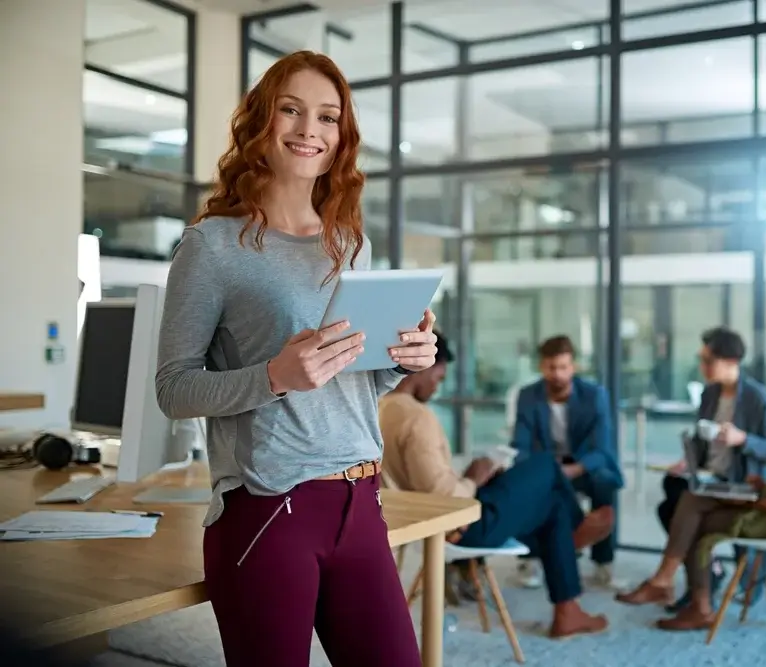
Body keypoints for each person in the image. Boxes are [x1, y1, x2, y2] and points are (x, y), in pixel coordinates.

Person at [154, 51, 436, 667]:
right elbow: (173, 388)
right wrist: (274, 377)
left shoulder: (349, 241)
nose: (310, 129)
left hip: (361, 500)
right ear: (262, 120)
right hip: (267, 508)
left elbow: (350, 376)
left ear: (342, 136)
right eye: (292, 110)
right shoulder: (212, 245)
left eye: (328, 117)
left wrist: (402, 359)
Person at [379, 331, 612, 639]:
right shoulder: (416, 417)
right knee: (544, 466)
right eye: (439, 376)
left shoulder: (381, 408)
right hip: (459, 525)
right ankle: (575, 533)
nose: (438, 386)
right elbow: (444, 495)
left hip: (427, 517)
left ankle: (567, 611)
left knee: (553, 502)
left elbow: (425, 482)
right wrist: (474, 476)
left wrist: (475, 476)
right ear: (423, 365)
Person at [619, 338, 766, 631]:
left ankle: (694, 602)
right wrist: (761, 485)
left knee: (696, 517)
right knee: (691, 498)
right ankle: (676, 589)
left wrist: (750, 500)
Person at [646, 327, 766, 611]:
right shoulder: (709, 394)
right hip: (712, 476)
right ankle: (706, 576)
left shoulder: (758, 399)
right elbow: (701, 438)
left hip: (742, 483)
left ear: (731, 361)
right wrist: (688, 462)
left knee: (684, 508)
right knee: (670, 494)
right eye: (702, 360)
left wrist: (742, 439)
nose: (702, 367)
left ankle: (693, 581)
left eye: (709, 361)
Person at [510, 335, 624, 587]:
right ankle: (529, 559)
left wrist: (573, 470)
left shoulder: (594, 395)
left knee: (604, 481)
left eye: (563, 367)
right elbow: (521, 444)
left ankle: (603, 562)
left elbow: (602, 448)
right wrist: (537, 471)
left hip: (582, 464)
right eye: (552, 368)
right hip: (546, 463)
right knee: (524, 484)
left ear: (573, 367)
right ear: (541, 367)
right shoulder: (529, 396)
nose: (558, 374)